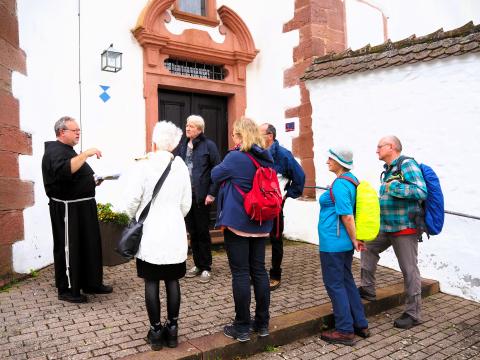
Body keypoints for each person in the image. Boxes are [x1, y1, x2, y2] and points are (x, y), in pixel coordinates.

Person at [124, 121, 191, 351]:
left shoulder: (143, 164)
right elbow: (186, 204)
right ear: (174, 144)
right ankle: (172, 330)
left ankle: (155, 332)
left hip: (150, 231)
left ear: (154, 141)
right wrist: (173, 215)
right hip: (174, 229)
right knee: (173, 280)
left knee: (151, 281)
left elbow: (132, 201)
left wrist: (132, 218)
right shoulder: (180, 165)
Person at [211, 117, 272, 342]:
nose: (232, 138)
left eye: (235, 134)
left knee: (241, 273)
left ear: (240, 136)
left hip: (239, 223)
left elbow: (215, 175)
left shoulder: (235, 157)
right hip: (262, 223)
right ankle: (263, 323)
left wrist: (233, 153)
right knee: (260, 271)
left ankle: (242, 327)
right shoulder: (266, 157)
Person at [41, 116, 112, 304]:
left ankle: (91, 282)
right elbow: (65, 171)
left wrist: (94, 180)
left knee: (89, 246)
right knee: (69, 248)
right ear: (62, 132)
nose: (78, 133)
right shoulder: (54, 151)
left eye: (79, 130)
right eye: (75, 130)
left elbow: (77, 175)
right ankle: (68, 289)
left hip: (83, 206)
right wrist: (86, 153)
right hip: (68, 210)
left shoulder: (68, 150)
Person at [359, 136, 427, 329]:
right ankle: (368, 289)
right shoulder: (388, 169)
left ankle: (413, 314)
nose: (376, 150)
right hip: (386, 226)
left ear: (392, 147)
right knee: (367, 247)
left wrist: (393, 187)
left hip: (404, 227)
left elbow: (421, 191)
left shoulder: (407, 164)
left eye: (380, 146)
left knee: (409, 269)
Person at [318, 147, 370, 346]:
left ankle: (345, 330)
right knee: (346, 281)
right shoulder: (351, 180)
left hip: (334, 243)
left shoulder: (340, 184)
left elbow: (347, 215)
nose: (327, 161)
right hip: (343, 243)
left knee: (335, 284)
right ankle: (360, 324)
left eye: (330, 158)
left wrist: (356, 239)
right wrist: (354, 240)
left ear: (340, 161)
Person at [259, 123, 305, 290]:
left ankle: (275, 275)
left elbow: (300, 177)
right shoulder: (258, 153)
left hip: (275, 205)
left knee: (276, 239)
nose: (257, 137)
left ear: (270, 136)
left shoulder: (283, 155)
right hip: (258, 204)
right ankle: (258, 274)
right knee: (257, 237)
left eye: (260, 133)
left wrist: (286, 195)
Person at [179, 115, 221, 283]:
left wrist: (212, 193)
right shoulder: (183, 146)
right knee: (193, 232)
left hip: (202, 197)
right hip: (187, 196)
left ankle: (206, 267)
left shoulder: (208, 145)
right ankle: (197, 264)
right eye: (187, 125)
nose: (187, 128)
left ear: (199, 129)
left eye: (191, 126)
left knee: (203, 232)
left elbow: (217, 170)